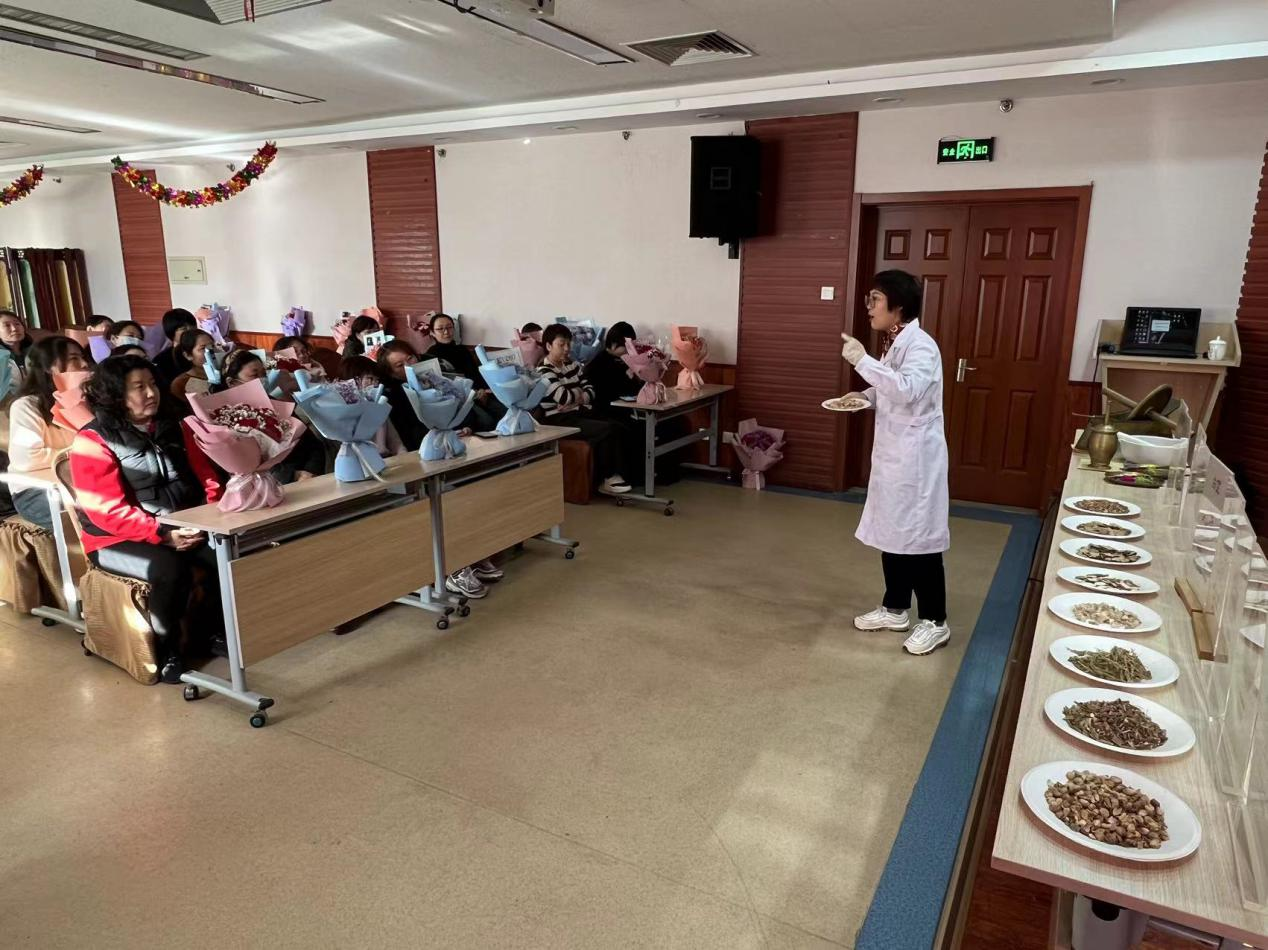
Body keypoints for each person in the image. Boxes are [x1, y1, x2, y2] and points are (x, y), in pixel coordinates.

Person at [69, 355, 225, 683]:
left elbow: (206, 475)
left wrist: (213, 516)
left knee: (223, 553)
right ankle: (168, 650)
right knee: (169, 569)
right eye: (138, 387)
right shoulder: (92, 440)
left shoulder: (175, 423)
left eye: (152, 384)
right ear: (115, 394)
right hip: (113, 538)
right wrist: (162, 534)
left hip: (183, 522)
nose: (151, 393)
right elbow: (105, 511)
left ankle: (210, 633)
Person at [839, 269, 951, 656]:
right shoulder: (896, 341)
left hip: (916, 460)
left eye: (875, 299)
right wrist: (865, 397)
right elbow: (890, 385)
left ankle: (935, 620)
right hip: (894, 456)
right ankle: (895, 608)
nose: (869, 307)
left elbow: (906, 389)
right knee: (893, 532)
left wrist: (862, 361)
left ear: (897, 306)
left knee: (919, 539)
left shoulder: (922, 346)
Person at [538, 323, 632, 496]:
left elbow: (591, 390)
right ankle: (608, 477)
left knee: (620, 424)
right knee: (607, 429)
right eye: (561, 345)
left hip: (579, 412)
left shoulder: (573, 365)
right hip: (559, 420)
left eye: (568, 344)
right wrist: (578, 394)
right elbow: (564, 397)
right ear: (549, 346)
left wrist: (576, 398)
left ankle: (622, 474)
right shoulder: (543, 371)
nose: (567, 349)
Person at [7, 336, 90, 529]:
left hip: (84, 482)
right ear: (48, 367)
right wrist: (85, 455)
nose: (85, 364)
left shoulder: (87, 401)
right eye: (74, 359)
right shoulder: (26, 406)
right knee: (89, 514)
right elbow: (27, 458)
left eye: (83, 357)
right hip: (38, 489)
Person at [425, 312, 502, 431]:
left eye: (449, 327)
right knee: (486, 421)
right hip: (457, 401)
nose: (446, 332)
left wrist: (482, 390)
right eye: (440, 329)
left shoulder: (462, 350)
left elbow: (476, 375)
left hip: (478, 394)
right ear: (432, 332)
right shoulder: (430, 356)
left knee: (505, 411)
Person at [584, 321, 641, 411]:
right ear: (614, 344)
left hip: (625, 408)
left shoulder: (621, 359)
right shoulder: (600, 363)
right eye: (627, 346)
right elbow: (622, 390)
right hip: (606, 411)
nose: (630, 350)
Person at [151, 308, 197, 390]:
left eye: (192, 326)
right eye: (183, 328)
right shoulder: (161, 360)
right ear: (171, 332)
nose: (190, 331)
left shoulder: (202, 351)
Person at [169, 329, 216, 403]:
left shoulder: (225, 373)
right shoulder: (180, 384)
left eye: (212, 346)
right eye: (203, 348)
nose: (211, 351)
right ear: (188, 355)